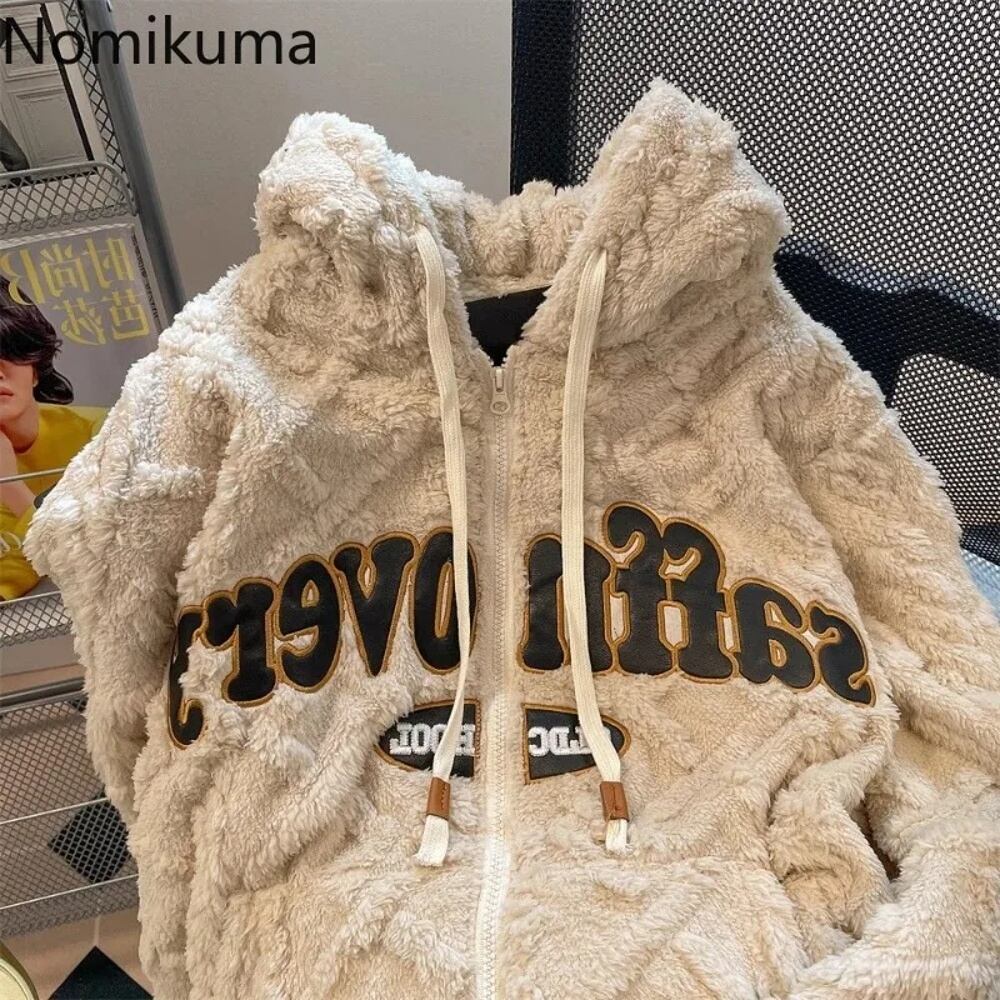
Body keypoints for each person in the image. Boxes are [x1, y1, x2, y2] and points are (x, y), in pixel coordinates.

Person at [0, 276, 105, 599]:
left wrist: (10, 485)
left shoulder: (99, 432)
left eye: (8, 351)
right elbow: (12, 570)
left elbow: (93, 560)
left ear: (35, 366)